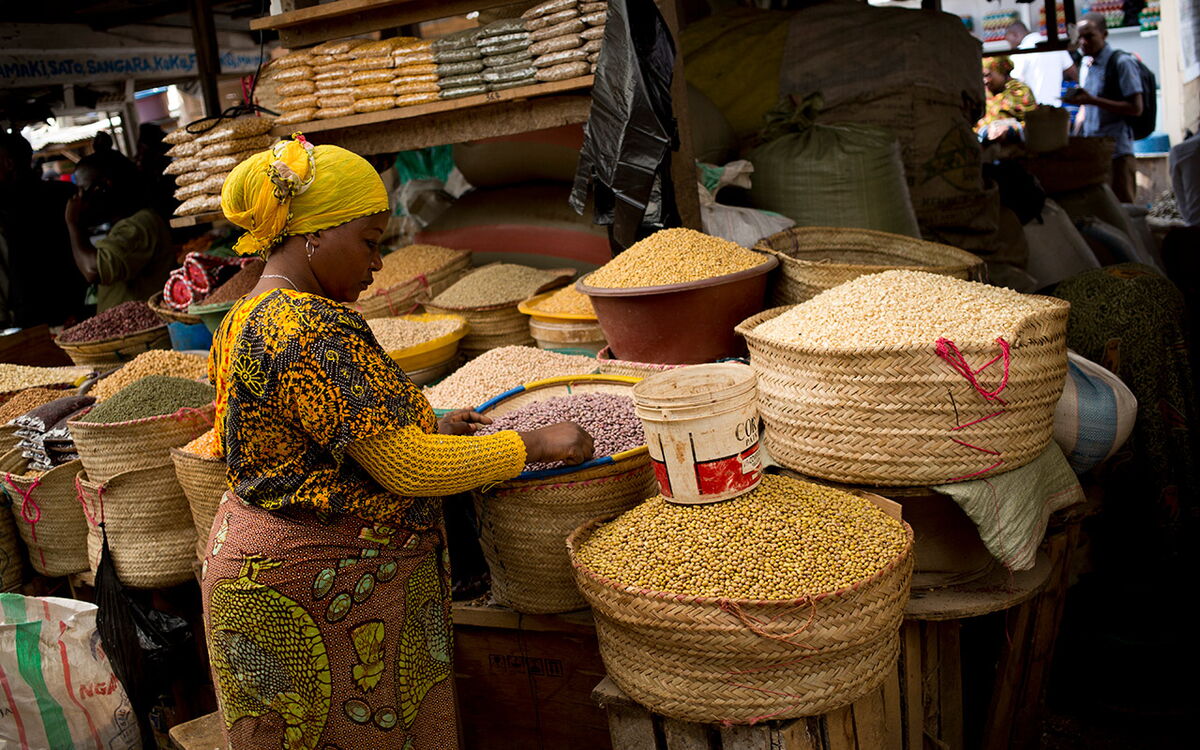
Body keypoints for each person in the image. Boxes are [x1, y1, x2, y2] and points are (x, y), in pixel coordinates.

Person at [200, 135, 595, 749]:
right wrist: (534, 442)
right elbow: (406, 469)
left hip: (263, 564)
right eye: (369, 243)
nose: (378, 262)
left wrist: (428, 421)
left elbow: (310, 426)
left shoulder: (247, 317)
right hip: (323, 587)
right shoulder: (309, 326)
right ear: (315, 235)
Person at [66, 149, 175, 312]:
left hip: (145, 334)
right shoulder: (128, 222)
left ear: (102, 187)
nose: (78, 200)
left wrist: (72, 222)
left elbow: (93, 271)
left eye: (82, 190)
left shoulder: (140, 224)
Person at [0, 131, 90, 328]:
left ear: (8, 162)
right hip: (71, 303)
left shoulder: (10, 205)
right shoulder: (64, 193)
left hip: (40, 311)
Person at [1064, 13, 1146, 203]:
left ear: (1104, 35)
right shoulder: (1086, 65)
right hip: (1094, 152)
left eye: (1089, 36)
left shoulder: (1122, 63)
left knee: (1124, 211)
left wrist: (1093, 100)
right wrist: (1074, 139)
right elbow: (1085, 109)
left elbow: (1136, 108)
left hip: (1117, 153)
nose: (1083, 42)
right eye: (1080, 37)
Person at [1005, 20, 1078, 107]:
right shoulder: (1053, 45)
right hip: (1056, 109)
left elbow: (1013, 82)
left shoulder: (1021, 52)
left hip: (1034, 109)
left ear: (1015, 35)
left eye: (1008, 41)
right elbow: (1074, 73)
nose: (1010, 46)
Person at [978, 56, 1038, 143]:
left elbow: (1033, 124)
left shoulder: (1019, 91)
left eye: (987, 75)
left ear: (1001, 71)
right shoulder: (983, 92)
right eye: (981, 76)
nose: (985, 80)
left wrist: (1011, 129)